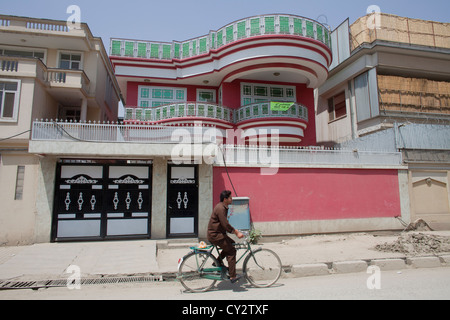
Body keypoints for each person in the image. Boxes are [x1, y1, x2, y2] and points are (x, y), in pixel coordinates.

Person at [207, 190, 244, 283]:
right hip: (215, 235)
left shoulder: (223, 206)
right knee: (231, 251)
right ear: (225, 199)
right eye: (230, 198)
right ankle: (232, 276)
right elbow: (225, 224)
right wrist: (236, 232)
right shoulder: (221, 208)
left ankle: (218, 262)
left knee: (231, 243)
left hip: (218, 234)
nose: (232, 199)